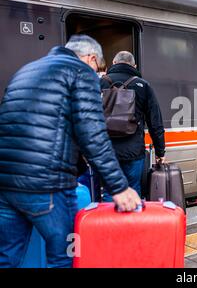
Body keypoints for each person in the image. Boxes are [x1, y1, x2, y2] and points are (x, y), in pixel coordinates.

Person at [0, 35, 141, 268]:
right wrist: (119, 186)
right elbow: (92, 134)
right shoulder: (80, 72)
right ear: (91, 59)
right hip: (47, 184)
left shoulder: (26, 70)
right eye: (97, 68)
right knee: (63, 255)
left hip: (5, 181)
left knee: (6, 258)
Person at [100, 51, 165, 201]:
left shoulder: (100, 83)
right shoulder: (143, 85)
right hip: (134, 151)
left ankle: (111, 224)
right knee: (133, 190)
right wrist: (160, 152)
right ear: (134, 66)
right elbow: (155, 122)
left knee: (110, 192)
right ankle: (131, 223)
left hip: (106, 151)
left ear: (114, 63)